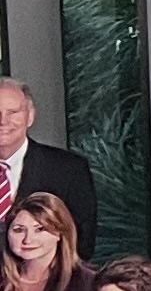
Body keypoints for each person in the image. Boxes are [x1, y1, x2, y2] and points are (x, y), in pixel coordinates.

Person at [0, 77, 99, 242]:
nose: (3, 121)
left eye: (13, 112)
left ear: (30, 116)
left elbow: (82, 240)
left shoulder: (69, 169)